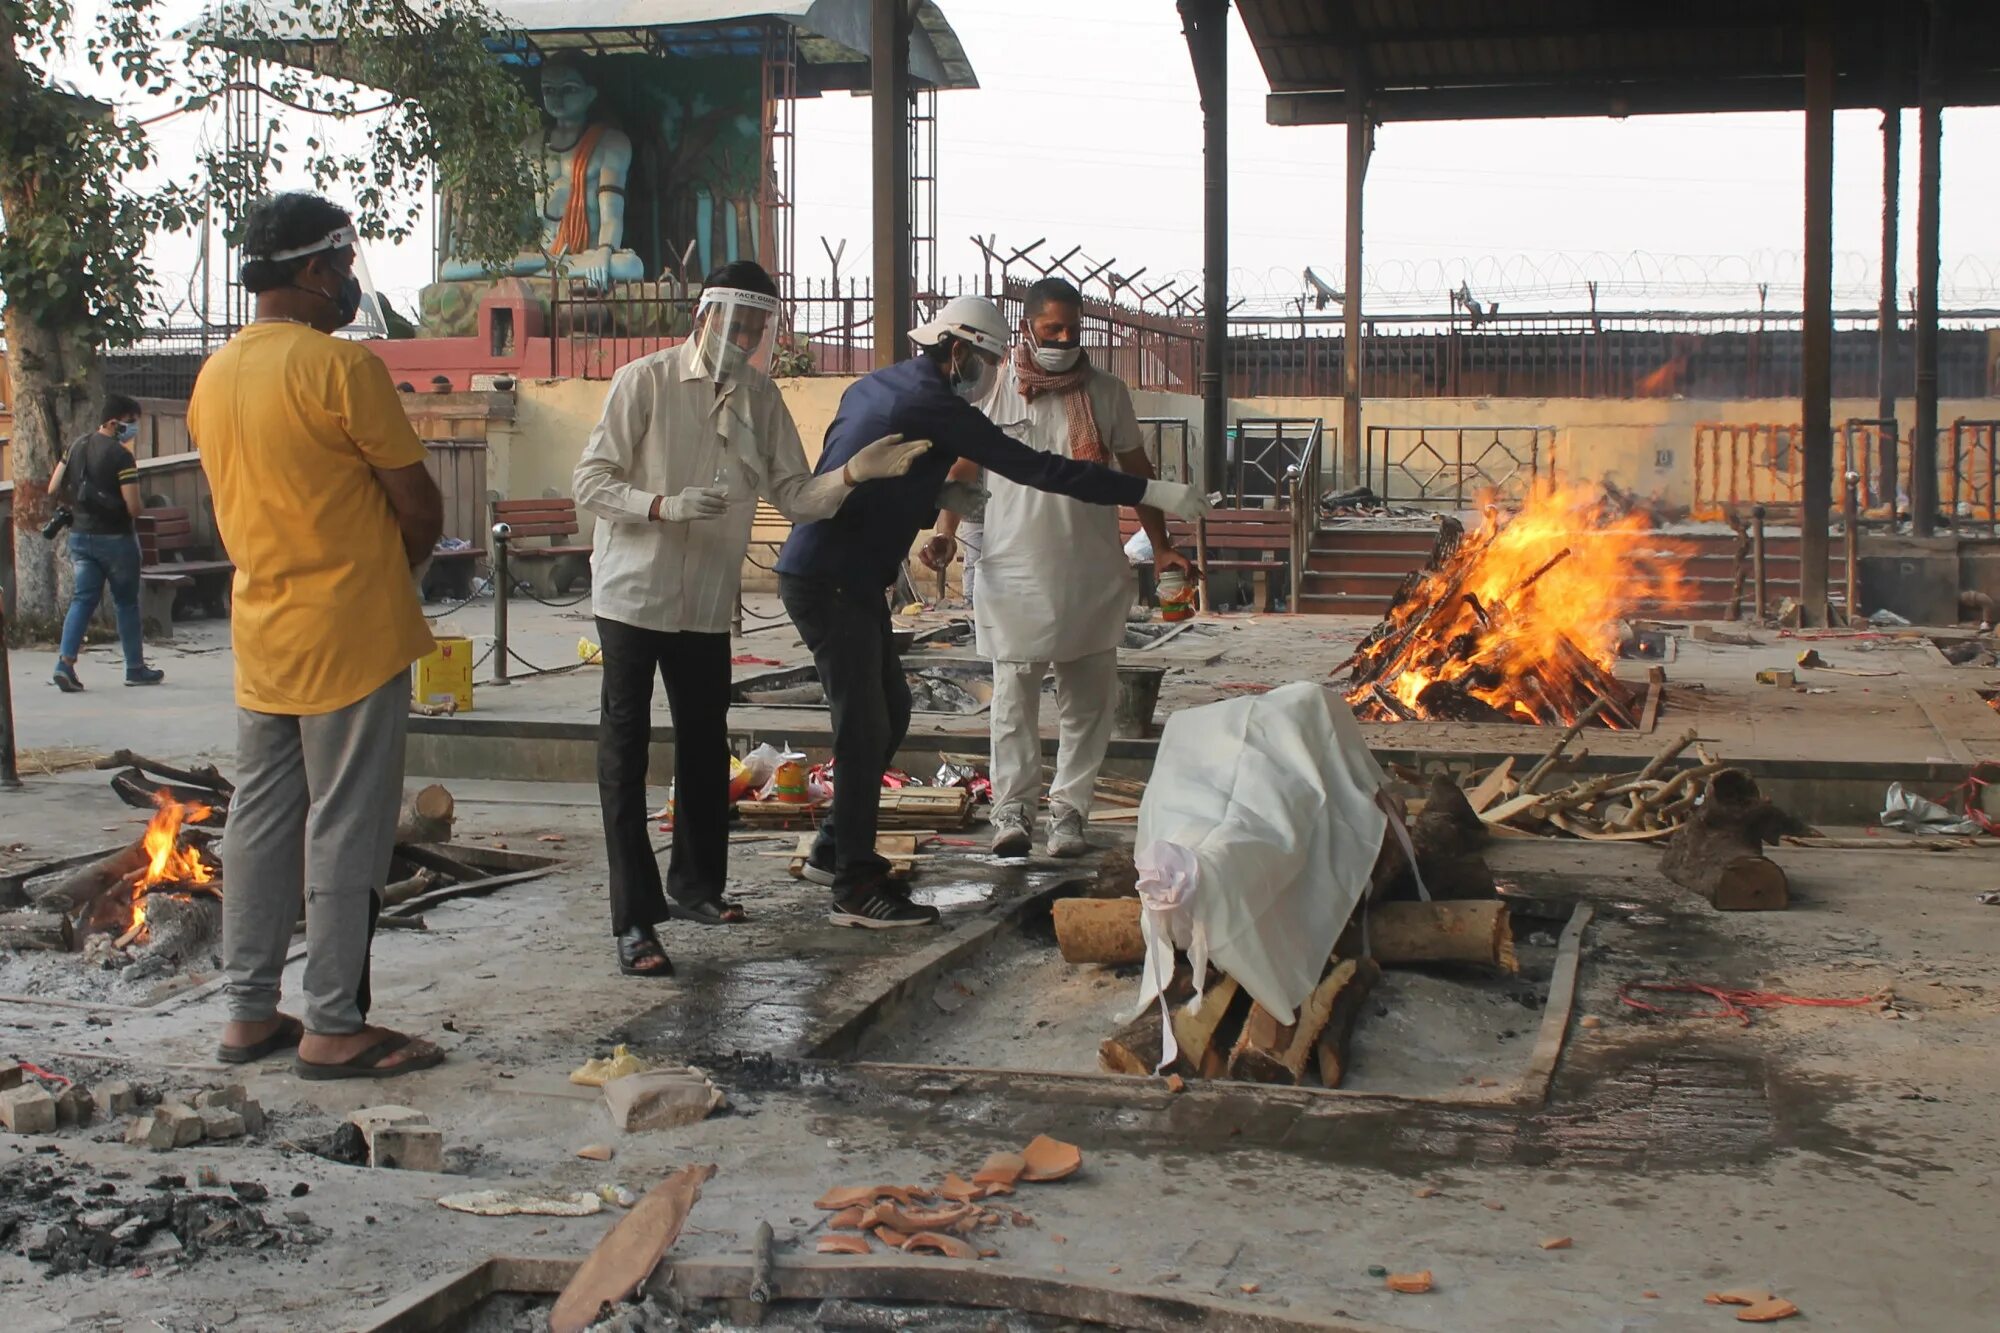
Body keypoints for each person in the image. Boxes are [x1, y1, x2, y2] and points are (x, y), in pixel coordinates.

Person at [775, 295, 1207, 929]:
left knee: (888, 713)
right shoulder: (937, 405)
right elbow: (1041, 470)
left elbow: (885, 472)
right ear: (957, 350)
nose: (987, 371)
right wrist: (1149, 490)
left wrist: (930, 496)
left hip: (847, 578)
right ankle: (855, 886)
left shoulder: (879, 384)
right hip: (833, 579)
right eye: (983, 358)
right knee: (866, 727)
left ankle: (834, 848)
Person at [573, 260, 931, 979]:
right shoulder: (643, 381)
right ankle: (635, 920)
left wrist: (856, 472)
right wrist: (659, 506)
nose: (742, 336)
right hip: (633, 594)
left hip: (706, 599)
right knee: (625, 750)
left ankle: (698, 887)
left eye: (756, 325)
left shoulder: (760, 398)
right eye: (734, 321)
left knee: (707, 747)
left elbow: (797, 494)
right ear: (706, 315)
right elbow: (592, 478)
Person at [188, 191, 447, 1080]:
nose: (347, 283)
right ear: (310, 268)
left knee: (258, 822)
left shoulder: (217, 375)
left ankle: (248, 1014)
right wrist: (391, 570)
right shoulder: (342, 369)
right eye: (342, 266)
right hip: (352, 632)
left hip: (263, 628)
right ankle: (335, 1022)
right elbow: (419, 505)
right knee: (347, 825)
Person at [926, 278, 1195, 859]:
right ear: (1027, 327)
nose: (1066, 339)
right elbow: (963, 471)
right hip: (1012, 567)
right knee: (1013, 698)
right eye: (1054, 330)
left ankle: (1070, 813)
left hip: (1090, 571)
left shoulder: (1107, 392)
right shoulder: (996, 389)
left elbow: (1137, 472)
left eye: (1074, 329)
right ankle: (1012, 812)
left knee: (1088, 704)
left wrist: (1162, 545)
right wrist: (945, 533)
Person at [48, 394, 164, 691]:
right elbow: (134, 507)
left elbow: (53, 486)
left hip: (80, 538)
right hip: (116, 541)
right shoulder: (121, 456)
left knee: (82, 599)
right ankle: (135, 669)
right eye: (131, 423)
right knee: (126, 603)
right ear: (114, 422)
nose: (133, 429)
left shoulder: (76, 445)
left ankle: (65, 663)